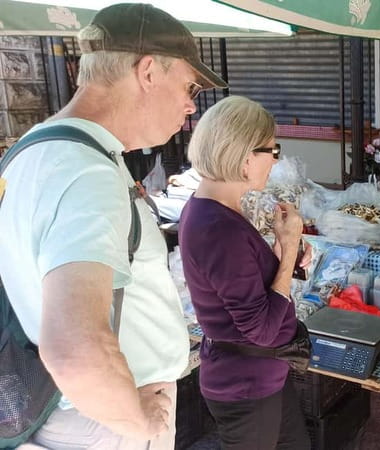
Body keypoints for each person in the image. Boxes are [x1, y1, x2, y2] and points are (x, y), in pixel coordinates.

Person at [0, 4, 227, 448]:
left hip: (71, 412)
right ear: (147, 72)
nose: (189, 105)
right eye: (189, 86)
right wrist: (138, 423)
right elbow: (76, 349)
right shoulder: (86, 173)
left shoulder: (34, 149)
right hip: (105, 423)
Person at [178, 96, 312, 450]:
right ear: (245, 157)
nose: (275, 159)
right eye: (272, 149)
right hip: (246, 386)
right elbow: (263, 330)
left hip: (263, 376)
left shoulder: (215, 210)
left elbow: (243, 283)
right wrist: (288, 251)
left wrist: (284, 253)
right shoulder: (218, 226)